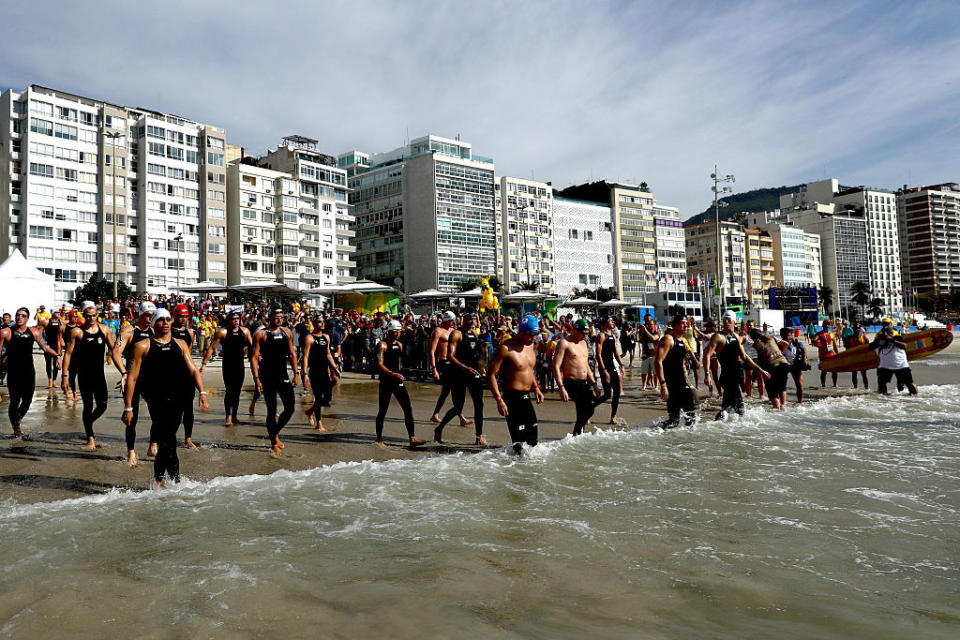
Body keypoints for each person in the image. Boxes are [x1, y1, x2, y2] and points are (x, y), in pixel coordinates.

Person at [122, 309, 208, 486]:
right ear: (154, 324)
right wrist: (128, 407)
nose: (165, 323)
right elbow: (132, 377)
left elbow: (193, 369)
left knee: (168, 438)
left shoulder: (181, 343)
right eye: (160, 320)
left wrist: (203, 392)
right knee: (168, 438)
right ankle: (175, 480)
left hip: (179, 395)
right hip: (155, 397)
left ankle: (159, 480)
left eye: (168, 319)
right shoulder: (143, 346)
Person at [61, 302, 125, 449]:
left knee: (103, 405)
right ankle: (90, 437)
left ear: (98, 315)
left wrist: (124, 372)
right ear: (84, 316)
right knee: (88, 405)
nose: (91, 318)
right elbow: (68, 354)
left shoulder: (105, 329)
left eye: (94, 315)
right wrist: (65, 376)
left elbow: (114, 350)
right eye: (88, 316)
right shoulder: (77, 332)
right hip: (84, 375)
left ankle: (88, 423)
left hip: (99, 374)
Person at [487, 314, 544, 453]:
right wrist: (499, 400)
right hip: (512, 398)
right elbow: (491, 375)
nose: (535, 338)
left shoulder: (530, 346)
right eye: (532, 335)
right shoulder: (505, 348)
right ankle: (515, 470)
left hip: (526, 396)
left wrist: (536, 388)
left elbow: (529, 370)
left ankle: (530, 473)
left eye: (536, 334)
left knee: (533, 441)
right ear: (523, 332)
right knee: (519, 443)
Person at [0, 307, 60, 436]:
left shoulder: (34, 332)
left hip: (28, 371)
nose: (19, 317)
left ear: (27, 318)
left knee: (27, 401)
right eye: (17, 315)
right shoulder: (5, 332)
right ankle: (16, 429)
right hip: (13, 372)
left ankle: (17, 421)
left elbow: (45, 346)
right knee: (15, 401)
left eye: (23, 315)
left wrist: (57, 355)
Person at [250, 308, 300, 456]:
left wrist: (297, 373)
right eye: (276, 317)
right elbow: (254, 357)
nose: (279, 320)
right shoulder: (262, 334)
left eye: (281, 317)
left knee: (290, 408)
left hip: (283, 374)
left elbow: (292, 354)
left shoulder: (287, 332)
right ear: (270, 317)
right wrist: (257, 379)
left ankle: (274, 432)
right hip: (267, 376)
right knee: (272, 410)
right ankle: (273, 443)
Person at [702, 311, 768, 420]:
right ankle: (741, 428)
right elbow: (706, 355)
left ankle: (719, 426)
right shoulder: (719, 337)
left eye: (729, 320)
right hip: (727, 377)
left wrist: (760, 370)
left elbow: (745, 356)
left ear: (734, 322)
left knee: (728, 407)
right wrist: (707, 374)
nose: (726, 322)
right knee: (740, 406)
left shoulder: (737, 337)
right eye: (724, 320)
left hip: (737, 376)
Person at [433, 314, 486, 446]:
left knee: (479, 404)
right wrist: (465, 367)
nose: (472, 321)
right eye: (469, 319)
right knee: (458, 407)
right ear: (463, 319)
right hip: (458, 373)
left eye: (474, 319)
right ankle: (439, 429)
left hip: (474, 372)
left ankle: (478, 436)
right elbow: (450, 355)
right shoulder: (457, 334)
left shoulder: (474, 333)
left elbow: (477, 353)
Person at [114, 301, 156, 466]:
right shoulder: (129, 331)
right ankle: (131, 452)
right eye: (147, 315)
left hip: (151, 379)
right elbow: (116, 353)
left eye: (153, 315)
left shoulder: (155, 331)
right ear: (140, 314)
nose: (150, 318)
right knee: (132, 418)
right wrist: (124, 372)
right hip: (132, 379)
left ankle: (153, 444)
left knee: (158, 414)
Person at [374, 320, 426, 448]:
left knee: (408, 408)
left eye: (399, 332)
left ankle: (412, 438)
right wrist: (392, 374)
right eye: (395, 332)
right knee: (383, 410)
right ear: (389, 331)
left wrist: (400, 373)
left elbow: (399, 361)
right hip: (386, 380)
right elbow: (380, 364)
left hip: (397, 380)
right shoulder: (382, 345)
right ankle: (379, 438)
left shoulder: (400, 345)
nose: (397, 334)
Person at [201, 311, 253, 427]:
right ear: (229, 320)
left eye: (238, 318)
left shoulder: (245, 331)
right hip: (228, 366)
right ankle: (228, 417)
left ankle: (234, 416)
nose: (236, 320)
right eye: (233, 318)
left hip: (240, 365)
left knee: (237, 392)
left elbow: (253, 347)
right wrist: (204, 364)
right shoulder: (223, 332)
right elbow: (211, 348)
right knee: (229, 391)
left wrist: (259, 357)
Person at [553, 318, 602, 436]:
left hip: (584, 382)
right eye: (583, 333)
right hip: (571, 382)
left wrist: (594, 384)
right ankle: (577, 434)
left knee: (587, 410)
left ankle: (578, 436)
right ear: (575, 330)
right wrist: (561, 387)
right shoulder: (564, 343)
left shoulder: (584, 343)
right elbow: (556, 366)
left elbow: (586, 366)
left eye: (587, 333)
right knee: (586, 408)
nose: (585, 336)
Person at [654, 315, 700, 428]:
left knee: (690, 418)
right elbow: (658, 362)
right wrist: (663, 385)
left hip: (681, 383)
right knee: (674, 421)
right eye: (683, 323)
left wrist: (695, 362)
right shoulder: (668, 339)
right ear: (675, 325)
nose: (686, 325)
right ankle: (652, 432)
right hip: (671, 384)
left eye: (687, 323)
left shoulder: (683, 341)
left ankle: (688, 443)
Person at [428, 311, 471, 427]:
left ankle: (435, 414)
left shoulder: (453, 331)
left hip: (453, 363)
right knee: (452, 389)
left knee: (447, 390)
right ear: (448, 320)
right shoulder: (438, 331)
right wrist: (434, 368)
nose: (454, 322)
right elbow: (432, 351)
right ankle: (461, 417)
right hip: (444, 362)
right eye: (452, 320)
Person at [302, 315, 340, 433]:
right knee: (318, 397)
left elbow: (328, 354)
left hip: (325, 371)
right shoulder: (309, 338)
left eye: (323, 322)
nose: (322, 324)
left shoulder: (326, 337)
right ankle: (319, 423)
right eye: (319, 322)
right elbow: (306, 356)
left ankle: (310, 411)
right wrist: (304, 374)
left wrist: (335, 367)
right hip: (314, 372)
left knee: (327, 398)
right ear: (314, 324)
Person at [171, 304, 198, 448]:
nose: (183, 319)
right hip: (171, 375)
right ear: (175, 315)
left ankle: (188, 438)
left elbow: (189, 354)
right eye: (180, 316)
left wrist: (195, 372)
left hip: (186, 375)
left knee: (188, 409)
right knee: (174, 409)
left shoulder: (190, 333)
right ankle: (170, 435)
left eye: (185, 316)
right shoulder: (167, 330)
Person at [748, 327, 790, 410]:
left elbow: (755, 361)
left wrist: (761, 371)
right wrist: (780, 352)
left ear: (751, 337)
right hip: (784, 364)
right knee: (782, 388)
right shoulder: (771, 338)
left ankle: (777, 410)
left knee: (773, 392)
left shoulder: (754, 346)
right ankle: (783, 406)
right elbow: (786, 344)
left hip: (771, 367)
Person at [870, 325, 918, 395]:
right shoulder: (880, 340)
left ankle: (916, 397)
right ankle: (884, 401)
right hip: (884, 366)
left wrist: (892, 340)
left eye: (889, 333)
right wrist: (879, 341)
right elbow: (871, 347)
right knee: (881, 386)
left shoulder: (897, 338)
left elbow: (904, 346)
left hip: (900, 365)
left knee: (909, 383)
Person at [595, 317, 625, 425]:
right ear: (604, 323)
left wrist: (621, 365)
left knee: (616, 392)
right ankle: (589, 408)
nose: (613, 322)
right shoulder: (601, 335)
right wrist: (603, 370)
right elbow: (598, 355)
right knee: (607, 395)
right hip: (604, 368)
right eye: (610, 320)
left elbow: (616, 353)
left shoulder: (613, 336)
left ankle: (613, 417)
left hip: (612, 367)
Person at [778, 327, 807, 404]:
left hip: (795, 364)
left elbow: (804, 349)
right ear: (781, 335)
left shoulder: (796, 342)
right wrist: (785, 345)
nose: (788, 337)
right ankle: (782, 403)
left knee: (799, 384)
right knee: (782, 385)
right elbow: (778, 354)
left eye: (789, 335)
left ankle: (800, 402)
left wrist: (804, 359)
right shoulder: (780, 344)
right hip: (784, 365)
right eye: (785, 335)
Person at [741, 320, 765, 398]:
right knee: (748, 379)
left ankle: (762, 396)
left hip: (758, 359)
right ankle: (748, 396)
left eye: (750, 325)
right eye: (747, 325)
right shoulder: (744, 336)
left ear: (754, 326)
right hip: (748, 360)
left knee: (760, 378)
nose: (749, 327)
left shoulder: (758, 335)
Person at [812, 320, 840, 388]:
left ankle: (834, 385)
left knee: (834, 370)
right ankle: (823, 385)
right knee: (824, 371)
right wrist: (819, 346)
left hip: (832, 354)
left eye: (828, 324)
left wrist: (838, 354)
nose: (827, 326)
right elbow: (813, 340)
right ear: (823, 325)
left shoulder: (832, 333)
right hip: (823, 355)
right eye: (825, 324)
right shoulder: (819, 334)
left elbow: (834, 344)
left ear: (830, 326)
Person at [843, 321, 869, 389]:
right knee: (854, 373)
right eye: (856, 328)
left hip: (862, 358)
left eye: (858, 328)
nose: (857, 330)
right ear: (853, 329)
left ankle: (866, 388)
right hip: (853, 358)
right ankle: (855, 388)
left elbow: (867, 347)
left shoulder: (863, 338)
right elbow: (846, 348)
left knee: (864, 374)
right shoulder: (849, 338)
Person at [43, 309, 65, 391]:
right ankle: (50, 381)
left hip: (57, 345)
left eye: (59, 312)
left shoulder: (61, 322)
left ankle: (54, 381)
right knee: (48, 363)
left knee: (56, 363)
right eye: (56, 312)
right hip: (48, 344)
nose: (59, 313)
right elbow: (38, 331)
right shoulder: (46, 322)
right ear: (52, 313)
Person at [637, 314, 660, 390]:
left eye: (650, 324)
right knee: (644, 372)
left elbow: (654, 338)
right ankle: (644, 385)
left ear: (654, 325)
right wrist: (637, 331)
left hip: (654, 354)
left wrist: (646, 330)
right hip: (645, 354)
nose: (648, 325)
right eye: (647, 324)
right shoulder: (643, 331)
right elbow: (637, 340)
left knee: (655, 372)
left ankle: (655, 386)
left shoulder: (656, 331)